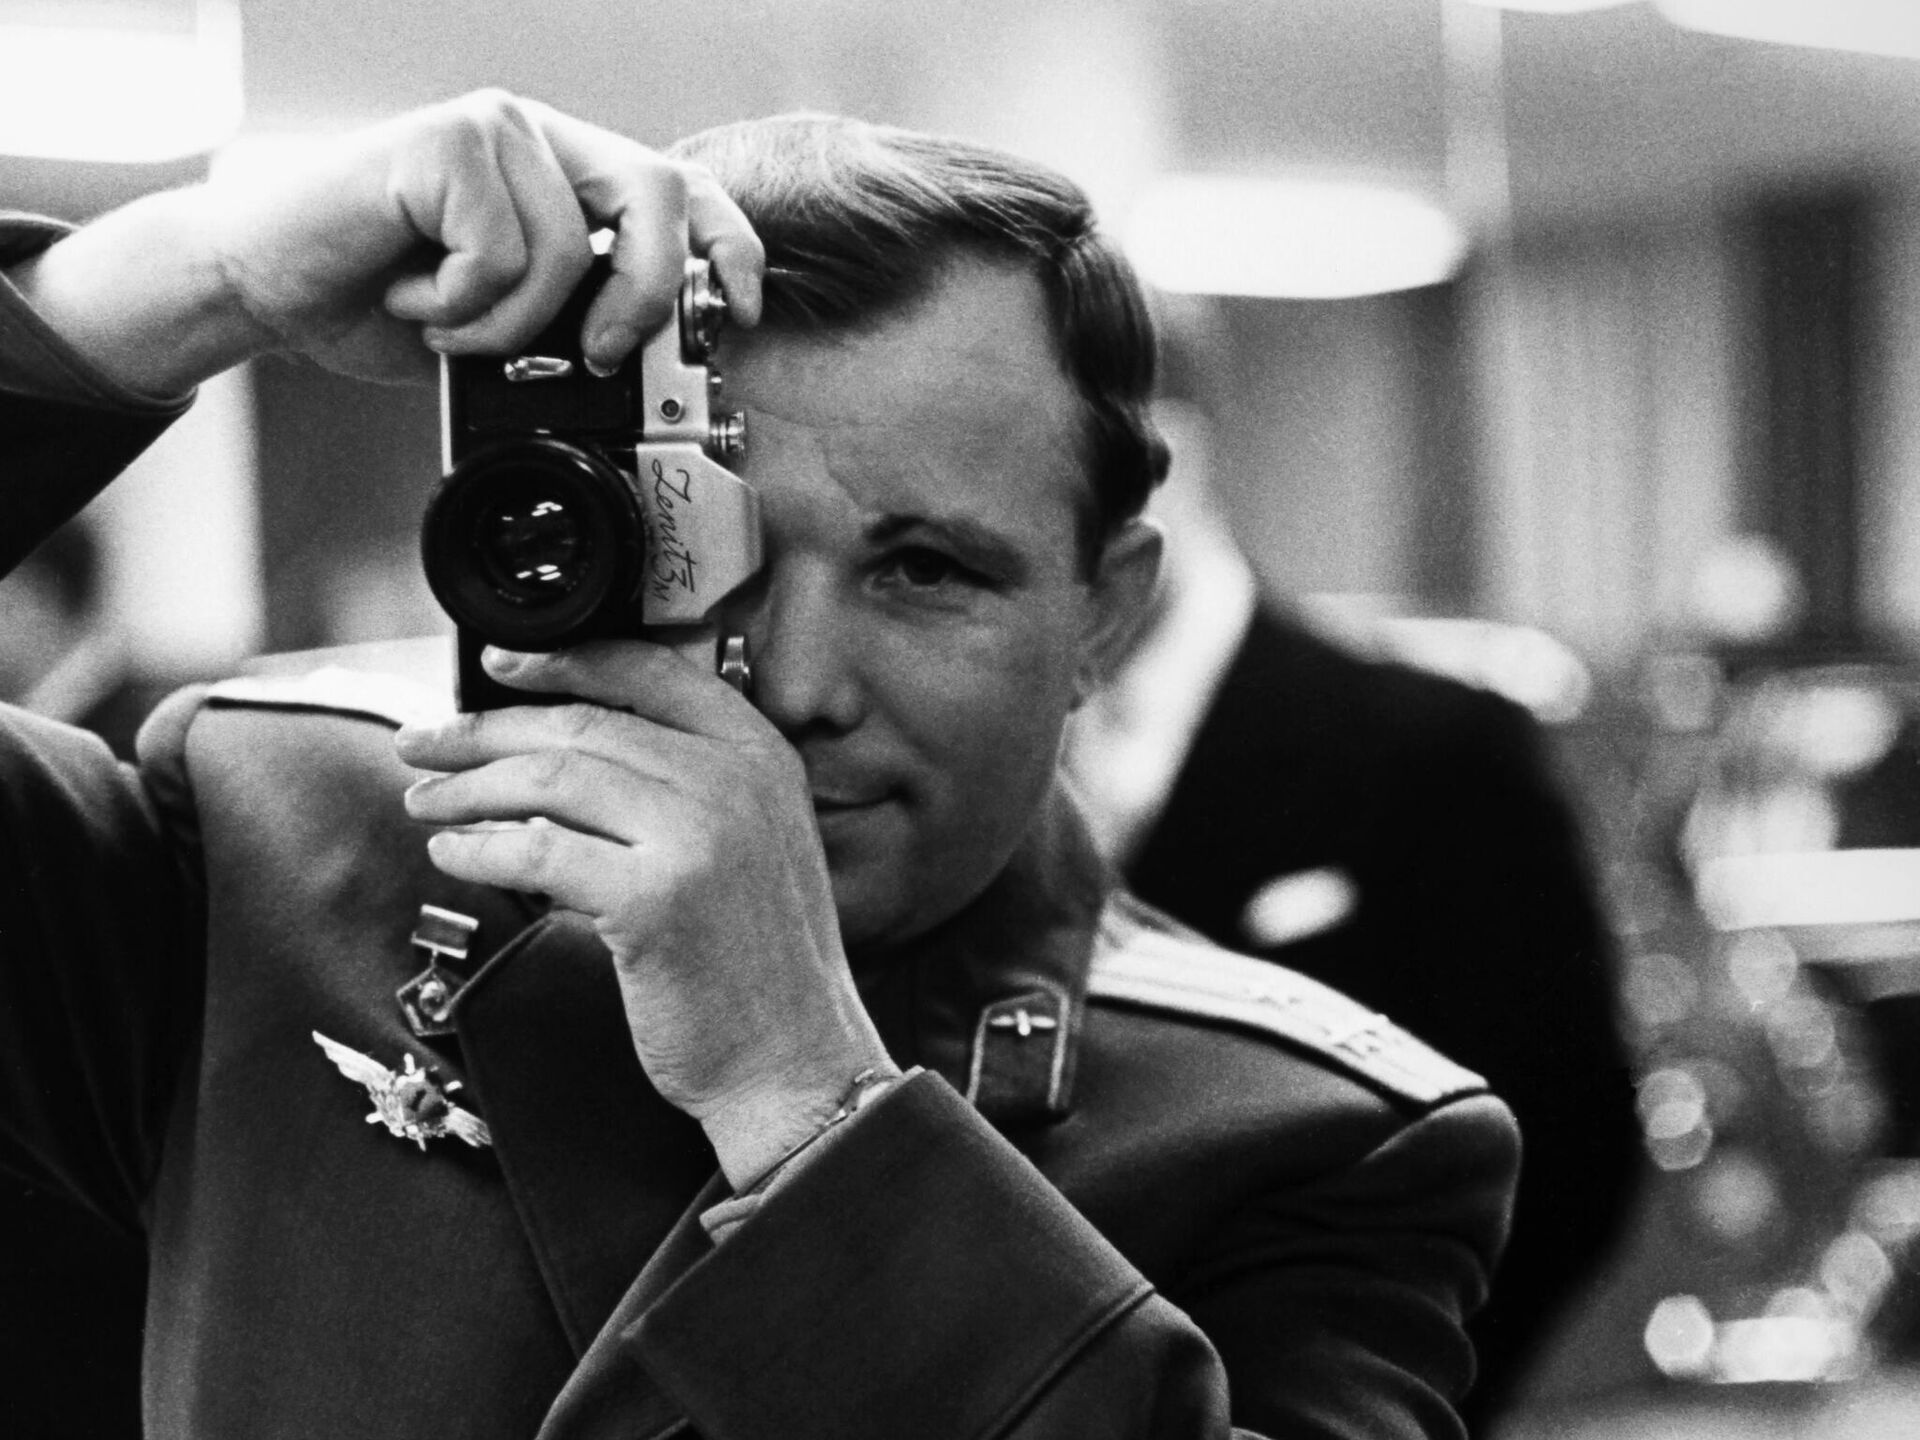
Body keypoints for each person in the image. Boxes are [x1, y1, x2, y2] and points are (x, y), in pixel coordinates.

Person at [1, 92, 1517, 1439]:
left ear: (1103, 616)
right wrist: (195, 279)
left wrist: (807, 1099)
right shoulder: (280, 843)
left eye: (925, 570)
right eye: (696, 553)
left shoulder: (1301, 1135)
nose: (793, 686)